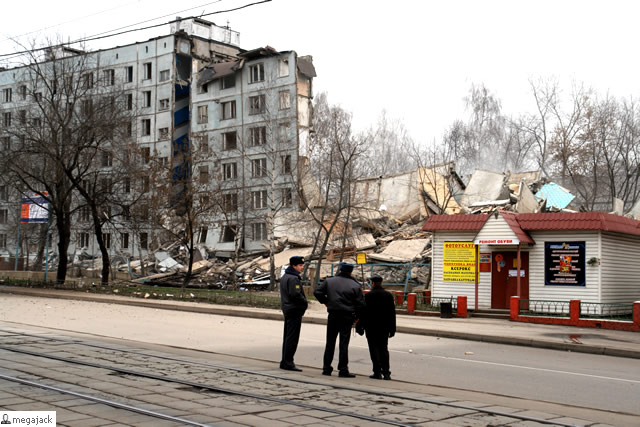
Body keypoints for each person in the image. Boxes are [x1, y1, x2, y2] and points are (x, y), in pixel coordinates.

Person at [314, 262, 365, 378]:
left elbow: (317, 292)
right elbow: (360, 304)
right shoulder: (355, 285)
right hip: (347, 316)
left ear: (340, 270)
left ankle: (326, 368)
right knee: (344, 343)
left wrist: (326, 302)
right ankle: (343, 369)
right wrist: (357, 317)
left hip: (333, 315)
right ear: (350, 272)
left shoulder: (329, 281)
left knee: (330, 342)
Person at [358, 275, 396, 380]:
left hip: (371, 327)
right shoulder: (388, 295)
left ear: (373, 283)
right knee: (384, 349)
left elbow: (363, 312)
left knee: (374, 349)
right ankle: (387, 373)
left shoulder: (368, 296)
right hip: (384, 327)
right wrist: (392, 329)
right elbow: (392, 313)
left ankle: (377, 372)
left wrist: (359, 326)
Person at [279, 256, 308, 371]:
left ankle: (285, 361)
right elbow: (295, 295)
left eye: (302, 266)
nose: (302, 268)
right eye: (300, 266)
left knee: (287, 336)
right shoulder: (293, 279)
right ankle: (288, 362)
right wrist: (305, 303)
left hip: (288, 309)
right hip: (294, 310)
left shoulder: (286, 276)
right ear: (293, 266)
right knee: (292, 338)